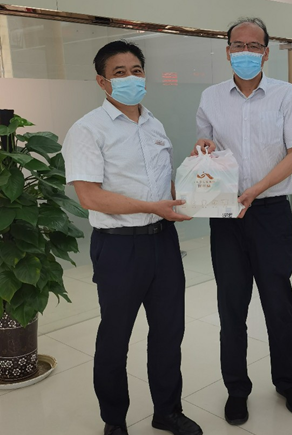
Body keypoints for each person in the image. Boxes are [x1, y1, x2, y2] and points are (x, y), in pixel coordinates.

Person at [62, 40, 202, 435]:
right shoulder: (87, 129)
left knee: (169, 332)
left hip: (163, 242)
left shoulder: (154, 125)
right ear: (102, 82)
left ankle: (167, 411)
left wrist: (200, 174)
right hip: (119, 247)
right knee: (115, 338)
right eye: (119, 72)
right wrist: (152, 206)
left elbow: (165, 185)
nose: (130, 78)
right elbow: (90, 196)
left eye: (136, 70)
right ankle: (114, 421)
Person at [193, 17, 292, 425]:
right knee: (231, 306)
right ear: (227, 50)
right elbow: (205, 148)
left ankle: (286, 380)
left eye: (254, 45)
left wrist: (257, 188)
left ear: (266, 52)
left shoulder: (285, 95)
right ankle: (236, 389)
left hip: (270, 212)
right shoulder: (211, 97)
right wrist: (203, 148)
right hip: (226, 215)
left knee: (278, 303)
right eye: (238, 45)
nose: (245, 52)